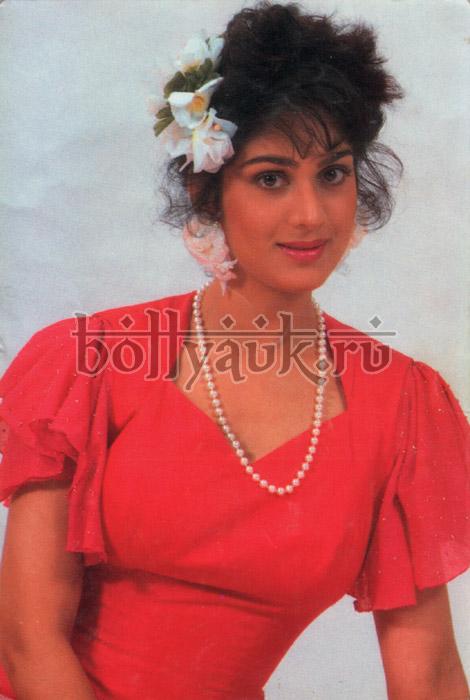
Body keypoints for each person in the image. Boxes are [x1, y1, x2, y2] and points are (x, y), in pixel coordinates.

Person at [0, 2, 469, 698]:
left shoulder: (404, 407)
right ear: (206, 189)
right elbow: (27, 640)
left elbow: (428, 674)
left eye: (333, 174)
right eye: (271, 177)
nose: (310, 214)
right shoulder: (89, 363)